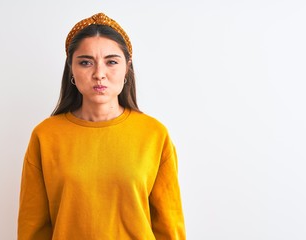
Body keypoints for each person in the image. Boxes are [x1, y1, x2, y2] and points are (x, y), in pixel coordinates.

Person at [18, 12, 186, 239]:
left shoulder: (154, 134)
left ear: (127, 68)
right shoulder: (45, 136)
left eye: (111, 62)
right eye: (86, 62)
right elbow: (33, 227)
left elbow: (169, 226)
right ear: (72, 70)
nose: (99, 74)